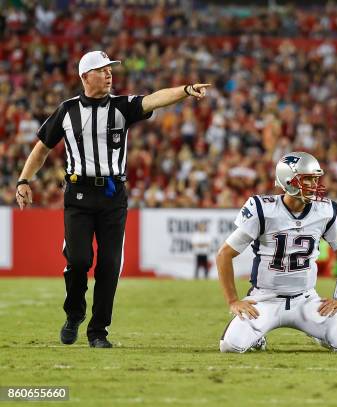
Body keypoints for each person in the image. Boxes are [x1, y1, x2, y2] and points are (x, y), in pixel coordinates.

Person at [15, 50, 210, 348]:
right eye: (102, 70)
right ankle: (74, 314)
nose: (109, 74)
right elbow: (42, 148)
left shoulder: (122, 107)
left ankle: (98, 332)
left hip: (112, 195)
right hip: (78, 195)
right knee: (79, 260)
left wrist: (185, 91)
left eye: (110, 69)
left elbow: (154, 99)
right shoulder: (67, 111)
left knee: (109, 265)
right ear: (84, 76)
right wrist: (24, 180)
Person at [217, 152, 337, 353]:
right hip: (265, 299)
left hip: (306, 300)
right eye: (307, 179)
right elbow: (224, 254)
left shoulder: (325, 211)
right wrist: (233, 301)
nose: (314, 185)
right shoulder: (262, 209)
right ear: (289, 181)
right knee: (231, 346)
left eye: (315, 179)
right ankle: (256, 338)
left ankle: (320, 333)